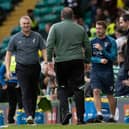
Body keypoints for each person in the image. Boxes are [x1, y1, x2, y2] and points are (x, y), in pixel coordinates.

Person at [47, 7, 91, 125]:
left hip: (61, 61)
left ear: (61, 16)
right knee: (79, 89)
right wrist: (87, 61)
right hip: (77, 61)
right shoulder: (80, 28)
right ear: (73, 17)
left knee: (61, 88)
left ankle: (65, 112)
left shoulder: (55, 27)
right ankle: (81, 119)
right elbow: (88, 46)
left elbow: (49, 45)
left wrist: (49, 61)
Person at [5, 16, 47, 124]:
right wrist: (8, 70)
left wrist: (46, 61)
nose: (26, 25)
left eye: (27, 23)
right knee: (25, 91)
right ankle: (28, 115)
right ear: (20, 25)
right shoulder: (15, 38)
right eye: (24, 23)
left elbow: (44, 49)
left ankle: (31, 115)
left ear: (30, 24)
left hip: (35, 67)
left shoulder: (37, 36)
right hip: (21, 68)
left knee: (33, 92)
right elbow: (8, 54)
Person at [90, 20, 117, 122]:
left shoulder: (111, 41)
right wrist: (99, 60)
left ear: (105, 29)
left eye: (100, 28)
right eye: (97, 28)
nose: (98, 30)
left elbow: (113, 57)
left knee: (109, 95)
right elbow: (89, 57)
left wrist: (103, 50)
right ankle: (99, 113)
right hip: (96, 70)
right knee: (96, 91)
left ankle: (113, 116)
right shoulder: (92, 42)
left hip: (107, 72)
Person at [0, 55, 22, 124]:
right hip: (12, 84)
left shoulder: (8, 60)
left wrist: (3, 84)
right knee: (17, 103)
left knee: (16, 103)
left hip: (13, 84)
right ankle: (16, 119)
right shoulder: (21, 58)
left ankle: (13, 119)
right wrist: (3, 83)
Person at [115, 14, 129, 96]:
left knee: (119, 91)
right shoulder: (127, 35)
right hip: (125, 65)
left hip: (126, 67)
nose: (120, 25)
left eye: (121, 22)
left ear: (127, 22)